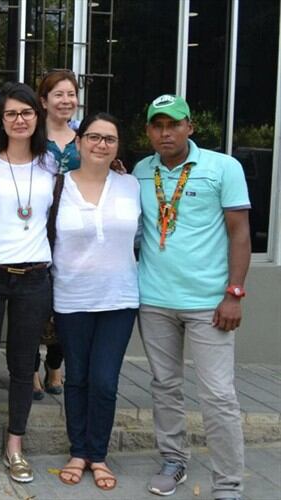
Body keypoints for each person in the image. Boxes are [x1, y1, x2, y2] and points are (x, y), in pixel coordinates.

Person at [134, 95, 251, 500]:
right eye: (157, 125)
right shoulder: (139, 172)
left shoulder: (224, 168)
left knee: (218, 394)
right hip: (154, 300)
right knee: (165, 385)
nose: (165, 133)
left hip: (209, 304)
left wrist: (234, 293)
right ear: (148, 131)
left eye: (173, 124)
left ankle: (228, 484)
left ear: (190, 127)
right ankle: (173, 460)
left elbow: (240, 235)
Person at [0, 82, 57, 484]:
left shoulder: (52, 163)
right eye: (11, 114)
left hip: (36, 276)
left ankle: (15, 446)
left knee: (23, 366)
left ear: (37, 117)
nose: (19, 120)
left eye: (26, 113)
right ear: (0, 120)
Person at [50, 113, 139, 491]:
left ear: (118, 146)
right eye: (94, 137)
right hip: (71, 297)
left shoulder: (132, 185)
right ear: (80, 141)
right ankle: (79, 450)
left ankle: (98, 455)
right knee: (78, 378)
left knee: (104, 381)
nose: (101, 145)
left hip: (119, 298)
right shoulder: (56, 187)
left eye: (110, 139)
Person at [31, 69, 81, 399]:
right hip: (36, 227)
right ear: (44, 101)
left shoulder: (85, 138)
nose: (66, 101)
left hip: (75, 231)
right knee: (34, 301)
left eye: (71, 94)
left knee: (67, 300)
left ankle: (55, 365)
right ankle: (31, 368)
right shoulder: (31, 139)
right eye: (58, 94)